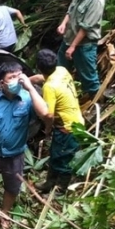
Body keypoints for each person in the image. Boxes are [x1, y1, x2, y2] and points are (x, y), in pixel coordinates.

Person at [0, 62, 48, 229]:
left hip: (15, 155)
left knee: (12, 188)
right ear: (1, 83)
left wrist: (31, 88)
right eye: (11, 77)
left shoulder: (28, 100)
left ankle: (4, 213)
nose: (16, 80)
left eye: (19, 76)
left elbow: (45, 113)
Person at [30, 49, 84, 195]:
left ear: (39, 67)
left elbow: (48, 114)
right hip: (76, 121)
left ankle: (60, 191)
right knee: (55, 155)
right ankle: (49, 183)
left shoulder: (49, 88)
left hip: (67, 128)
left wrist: (47, 128)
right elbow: (45, 77)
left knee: (62, 158)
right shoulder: (61, 70)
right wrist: (32, 79)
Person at [56, 0, 105, 104]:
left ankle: (97, 106)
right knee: (59, 71)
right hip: (69, 39)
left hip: (84, 45)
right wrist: (63, 23)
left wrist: (73, 47)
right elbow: (71, 10)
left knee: (89, 78)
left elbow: (86, 27)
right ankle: (62, 100)